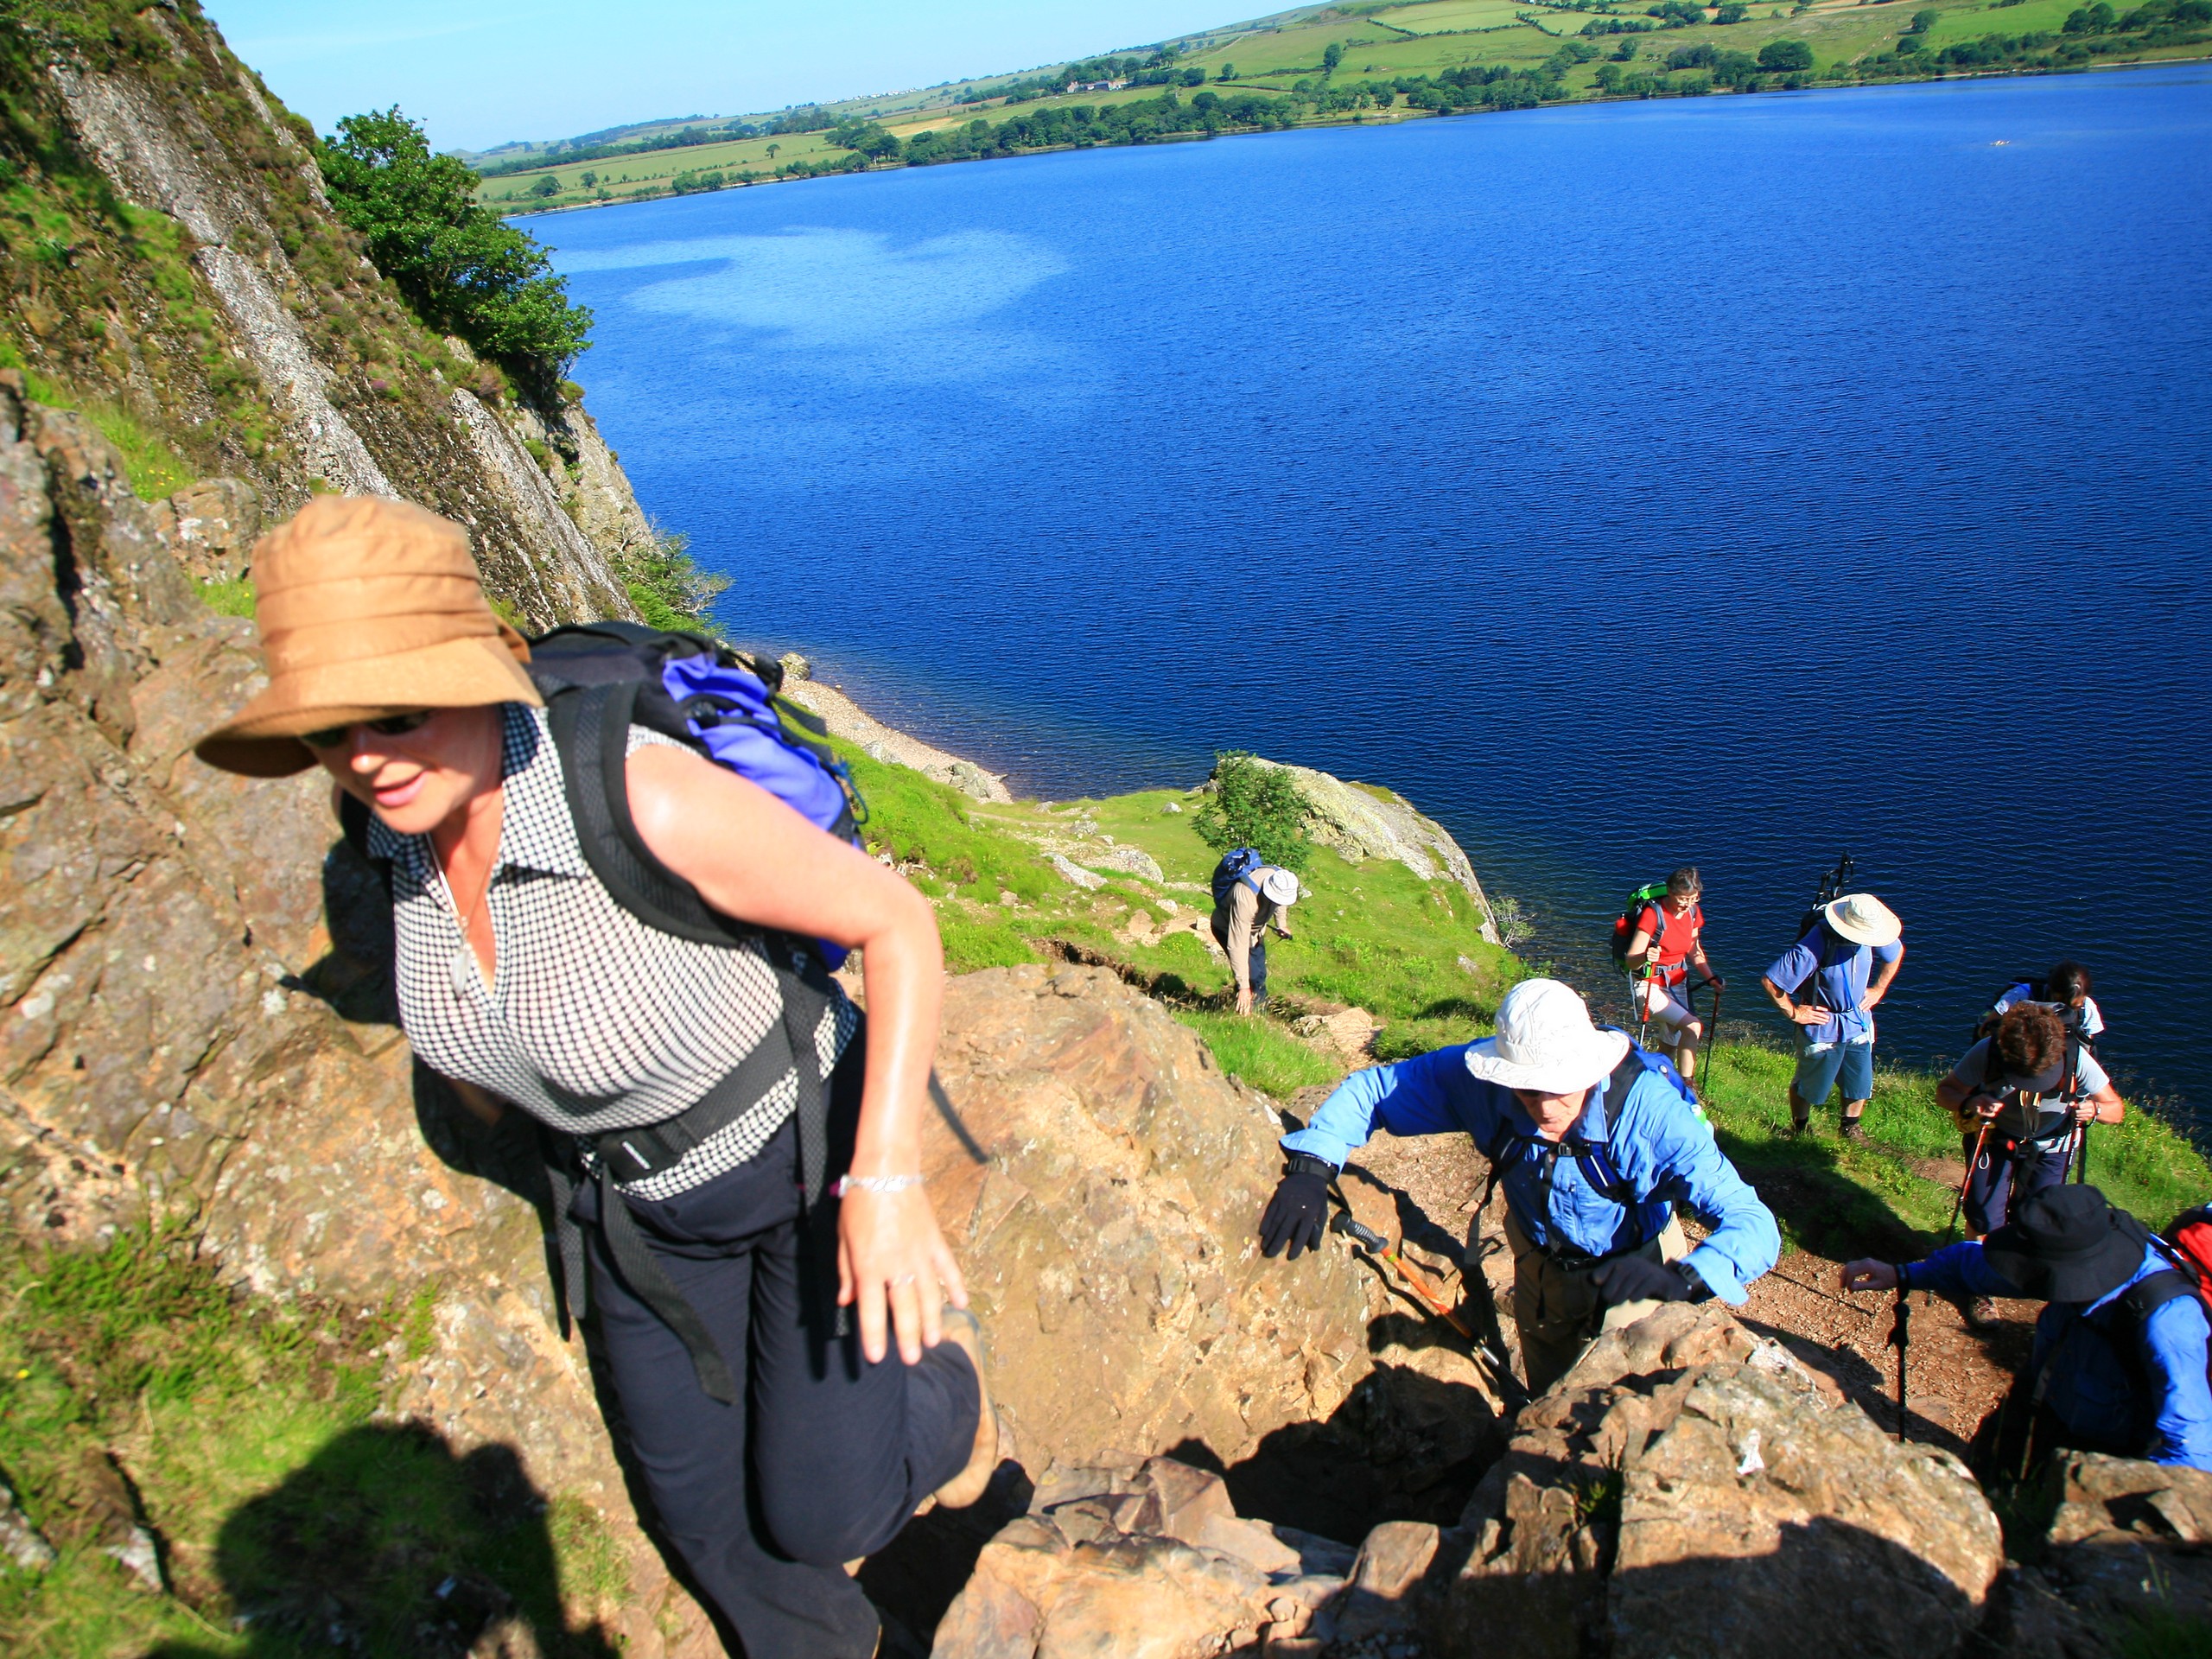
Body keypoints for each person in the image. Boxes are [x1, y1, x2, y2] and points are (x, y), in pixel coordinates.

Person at [193, 497, 994, 1659]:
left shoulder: (630, 793)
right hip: (629, 1216)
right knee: (703, 1524)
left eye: (396, 710)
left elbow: (896, 923)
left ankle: (953, 1375)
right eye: (328, 732)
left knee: (829, 1514)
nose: (364, 755)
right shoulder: (384, 825)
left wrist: (884, 1185)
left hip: (796, 1165)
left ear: (476, 675)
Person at [1257, 978, 1779, 1395]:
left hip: (1638, 1268)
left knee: (1619, 1399)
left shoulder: (1650, 1114)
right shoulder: (1481, 1082)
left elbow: (1754, 1225)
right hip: (1539, 1262)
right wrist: (1312, 1167)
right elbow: (1374, 1089)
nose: (1547, 1106)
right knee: (1549, 1391)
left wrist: (1685, 1279)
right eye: (1529, 1090)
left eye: (1561, 1085)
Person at [1841, 1186, 2212, 1475]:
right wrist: (1903, 1273)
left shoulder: (2169, 1319)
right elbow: (1978, 1266)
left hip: (2106, 1451)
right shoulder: (2073, 1250)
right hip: (2036, 1403)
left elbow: (2190, 1441)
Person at [1942, 1001, 2126, 1326]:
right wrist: (1972, 1101)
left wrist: (2094, 1111)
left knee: (2038, 1216)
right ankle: (1979, 1284)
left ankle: (2020, 1270)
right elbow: (1947, 1092)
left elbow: (2115, 1108)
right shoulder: (1988, 1052)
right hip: (1997, 1138)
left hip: (2053, 1146)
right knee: (1984, 1215)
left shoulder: (2076, 1059)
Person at [1761, 892, 1904, 1141]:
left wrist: (1879, 989)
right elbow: (1772, 982)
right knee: (1811, 1085)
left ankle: (1850, 1127)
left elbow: (1895, 952)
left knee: (1859, 1080)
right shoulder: (1816, 942)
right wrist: (1795, 1013)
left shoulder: (1872, 935)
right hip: (1823, 1026)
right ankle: (1801, 1129)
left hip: (1857, 1021)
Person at [1621, 865, 1720, 1082]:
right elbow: (1631, 960)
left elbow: (1694, 950)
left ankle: (1660, 1079)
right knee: (1692, 1027)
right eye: (1682, 898)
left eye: (1693, 898)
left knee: (1671, 1039)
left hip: (1678, 984)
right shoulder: (1653, 914)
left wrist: (1710, 977)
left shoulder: (1693, 913)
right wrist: (1647, 956)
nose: (1687, 904)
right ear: (1670, 891)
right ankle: (1687, 1088)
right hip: (1649, 984)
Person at [1212, 862, 1300, 1015]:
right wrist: (1244, 987)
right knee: (1251, 977)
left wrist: (1281, 924)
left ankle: (1258, 1009)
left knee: (1259, 974)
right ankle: (1248, 1014)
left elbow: (1280, 901)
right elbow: (1237, 945)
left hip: (1255, 933)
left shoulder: (1277, 875)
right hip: (1228, 929)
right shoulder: (1245, 898)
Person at [1992, 959, 2106, 1046]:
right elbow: (1990, 1025)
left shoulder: (2087, 1008)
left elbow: (2085, 1044)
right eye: (2061, 1002)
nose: (2065, 1009)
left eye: (2075, 1006)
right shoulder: (2021, 995)